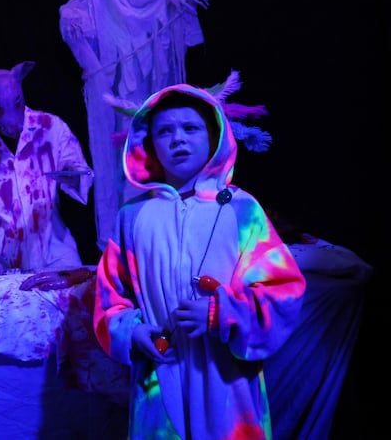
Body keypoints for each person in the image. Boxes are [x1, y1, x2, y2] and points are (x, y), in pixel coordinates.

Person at [93, 84, 306, 439]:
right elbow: (109, 296)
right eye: (164, 131)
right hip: (161, 375)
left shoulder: (242, 210)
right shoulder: (132, 218)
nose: (177, 139)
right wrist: (132, 332)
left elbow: (282, 292)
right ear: (149, 144)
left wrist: (220, 313)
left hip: (227, 378)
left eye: (190, 128)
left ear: (215, 134)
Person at [59, 0, 209, 251]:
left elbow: (181, 19)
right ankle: (126, 241)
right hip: (113, 92)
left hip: (147, 87)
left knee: (153, 147)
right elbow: (80, 31)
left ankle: (166, 229)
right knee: (119, 157)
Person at [0, 61, 95, 289]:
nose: (13, 121)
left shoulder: (51, 127)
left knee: (71, 304)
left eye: (17, 103)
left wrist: (72, 175)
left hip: (52, 247)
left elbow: (79, 170)